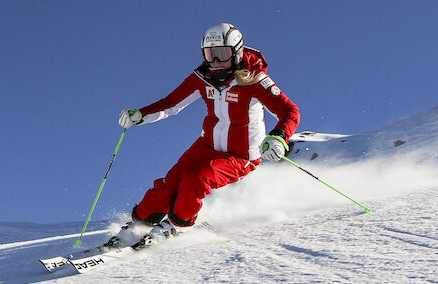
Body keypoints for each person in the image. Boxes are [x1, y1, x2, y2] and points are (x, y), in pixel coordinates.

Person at [116, 23, 300, 246]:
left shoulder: (255, 79)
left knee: (196, 179)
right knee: (169, 184)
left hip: (241, 154)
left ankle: (177, 226)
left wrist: (279, 136)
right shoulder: (202, 77)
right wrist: (141, 114)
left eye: (222, 54)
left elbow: (289, 110)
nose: (215, 62)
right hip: (207, 145)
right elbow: (171, 104)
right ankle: (141, 223)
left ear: (237, 52)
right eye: (210, 54)